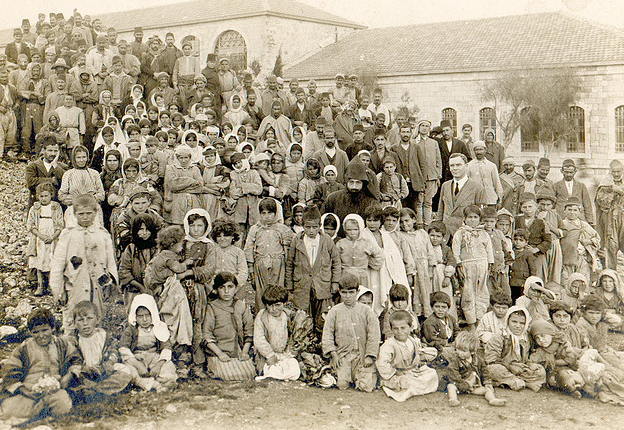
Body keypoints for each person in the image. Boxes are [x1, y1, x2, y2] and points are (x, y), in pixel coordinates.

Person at [50, 193, 117, 332]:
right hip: (75, 285)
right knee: (73, 319)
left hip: (97, 286)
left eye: (89, 213)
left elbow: (111, 261)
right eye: (81, 214)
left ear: (95, 212)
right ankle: (72, 349)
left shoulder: (102, 235)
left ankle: (95, 348)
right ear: (74, 214)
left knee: (96, 319)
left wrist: (111, 283)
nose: (85, 217)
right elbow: (58, 263)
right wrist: (57, 290)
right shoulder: (68, 234)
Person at [0, 308, 73, 422]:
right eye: (36, 332)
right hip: (30, 391)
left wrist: (69, 375)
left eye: (45, 330)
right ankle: (38, 411)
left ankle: (42, 411)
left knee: (63, 407)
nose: (41, 335)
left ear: (52, 328)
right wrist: (24, 390)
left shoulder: (61, 344)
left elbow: (75, 360)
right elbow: (11, 370)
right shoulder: (24, 348)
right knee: (9, 411)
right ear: (30, 332)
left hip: (55, 390)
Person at [286, 205, 341, 336]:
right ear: (302, 225)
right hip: (302, 285)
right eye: (308, 227)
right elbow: (290, 264)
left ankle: (320, 343)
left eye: (315, 227)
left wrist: (335, 282)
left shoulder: (326, 240)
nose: (311, 230)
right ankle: (305, 343)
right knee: (303, 317)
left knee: (322, 317)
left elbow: (336, 262)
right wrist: (289, 287)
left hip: (322, 285)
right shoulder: (297, 240)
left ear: (319, 225)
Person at [322, 273, 381, 392]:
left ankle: (361, 376)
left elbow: (374, 335)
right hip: (343, 355)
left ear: (357, 292)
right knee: (342, 384)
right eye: (344, 292)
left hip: (361, 355)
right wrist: (333, 354)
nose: (348, 296)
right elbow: (327, 334)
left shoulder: (367, 311)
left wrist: (370, 355)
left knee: (366, 386)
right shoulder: (335, 311)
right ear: (339, 292)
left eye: (351, 292)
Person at [64, 301, 133, 400]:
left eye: (89, 319)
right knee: (74, 375)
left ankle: (96, 390)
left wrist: (110, 361)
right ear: (74, 323)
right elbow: (73, 361)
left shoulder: (103, 335)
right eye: (80, 320)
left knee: (125, 370)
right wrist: (83, 370)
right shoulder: (74, 340)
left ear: (97, 319)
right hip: (85, 372)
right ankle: (98, 390)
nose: (85, 323)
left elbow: (113, 349)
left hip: (103, 370)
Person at [201, 272, 256, 381]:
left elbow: (249, 331)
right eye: (222, 287)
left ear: (236, 289)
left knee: (249, 374)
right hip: (218, 352)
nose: (226, 291)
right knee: (228, 375)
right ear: (216, 289)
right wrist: (220, 354)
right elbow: (206, 334)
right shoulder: (212, 307)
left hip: (238, 351)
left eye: (230, 287)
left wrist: (244, 352)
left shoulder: (241, 305)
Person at [119, 294, 178, 391]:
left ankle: (152, 382)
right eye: (141, 316)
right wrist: (138, 366)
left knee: (169, 372)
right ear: (135, 317)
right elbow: (123, 348)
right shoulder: (131, 330)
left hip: (154, 358)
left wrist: (158, 366)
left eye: (147, 315)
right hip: (137, 359)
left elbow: (166, 347)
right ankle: (151, 384)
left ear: (153, 314)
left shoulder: (159, 328)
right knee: (129, 372)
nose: (145, 319)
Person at [376, 310, 438, 402]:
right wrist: (394, 372)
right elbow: (381, 363)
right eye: (395, 329)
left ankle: (416, 387)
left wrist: (419, 359)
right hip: (397, 374)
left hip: (411, 370)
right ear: (391, 329)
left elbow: (416, 355)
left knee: (432, 373)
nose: (399, 331)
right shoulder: (389, 345)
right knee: (406, 382)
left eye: (403, 328)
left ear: (410, 327)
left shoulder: (412, 340)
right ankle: (410, 388)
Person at [245, 198, 293, 311]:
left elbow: (289, 247)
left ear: (275, 214)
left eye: (270, 213)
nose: (267, 216)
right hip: (260, 264)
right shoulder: (255, 229)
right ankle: (261, 315)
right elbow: (248, 248)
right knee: (261, 292)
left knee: (278, 291)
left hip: (278, 264)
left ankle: (278, 314)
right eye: (263, 213)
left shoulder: (282, 229)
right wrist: (251, 268)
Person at [484, 306, 546, 391]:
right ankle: (521, 382)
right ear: (507, 321)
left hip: (520, 368)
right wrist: (509, 366)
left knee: (540, 371)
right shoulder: (499, 337)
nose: (518, 326)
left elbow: (530, 355)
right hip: (504, 367)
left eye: (522, 323)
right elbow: (491, 359)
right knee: (492, 369)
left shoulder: (526, 338)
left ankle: (514, 382)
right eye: (514, 322)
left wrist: (531, 364)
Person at [452, 205, 494, 328]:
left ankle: (480, 320)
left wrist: (490, 263)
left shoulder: (483, 233)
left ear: (479, 219)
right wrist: (458, 264)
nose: (472, 220)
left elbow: (489, 249)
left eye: (475, 217)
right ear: (465, 219)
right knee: (468, 293)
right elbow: (456, 250)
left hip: (482, 265)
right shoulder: (460, 233)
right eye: (469, 217)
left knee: (482, 292)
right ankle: (471, 322)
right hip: (467, 265)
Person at [253, 285, 302, 381]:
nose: (273, 309)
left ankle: (281, 375)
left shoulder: (288, 316)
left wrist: (289, 352)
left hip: (284, 354)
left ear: (284, 303)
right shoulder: (262, 316)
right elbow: (259, 338)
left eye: (278, 305)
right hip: (267, 355)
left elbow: (293, 337)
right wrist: (269, 355)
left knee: (294, 368)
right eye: (270, 305)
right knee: (270, 369)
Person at [528, 319, 584, 399]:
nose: (541, 340)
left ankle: (586, 389)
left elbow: (570, 359)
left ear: (551, 334)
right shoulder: (540, 352)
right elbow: (531, 361)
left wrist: (554, 362)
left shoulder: (561, 344)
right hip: (554, 373)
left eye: (543, 336)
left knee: (571, 377)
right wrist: (533, 364)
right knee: (553, 381)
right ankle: (572, 391)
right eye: (537, 338)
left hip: (569, 368)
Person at [27, 183, 64, 296]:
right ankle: (40, 285)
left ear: (51, 195)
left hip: (52, 238)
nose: (43, 199)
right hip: (39, 239)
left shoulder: (56, 207)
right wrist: (41, 236)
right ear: (38, 196)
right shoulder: (35, 208)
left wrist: (53, 237)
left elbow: (60, 224)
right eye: (41, 196)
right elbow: (31, 225)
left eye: (46, 196)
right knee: (40, 261)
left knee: (51, 261)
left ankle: (52, 286)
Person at [438, 153, 485, 239]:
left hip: (466, 236)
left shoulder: (477, 188)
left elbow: (480, 217)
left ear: (466, 166)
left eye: (458, 165)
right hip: (446, 236)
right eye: (452, 165)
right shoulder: (445, 186)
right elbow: (440, 211)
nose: (455, 168)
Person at [118, 213, 160, 307]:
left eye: (147, 229)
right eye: (141, 229)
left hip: (154, 290)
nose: (144, 233)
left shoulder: (157, 248)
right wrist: (140, 287)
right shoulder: (131, 248)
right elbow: (124, 271)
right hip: (134, 290)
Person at [321, 158, 380, 222]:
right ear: (346, 182)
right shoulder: (333, 198)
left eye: (358, 182)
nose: (354, 186)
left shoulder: (371, 202)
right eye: (351, 182)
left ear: (363, 184)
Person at [594, 159, 624, 270]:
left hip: (623, 216)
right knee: (611, 243)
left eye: (619, 172)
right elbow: (600, 201)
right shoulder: (605, 183)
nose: (616, 174)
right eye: (614, 172)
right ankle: (611, 270)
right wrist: (613, 190)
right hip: (611, 218)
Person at [516, 192, 551, 283]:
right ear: (521, 208)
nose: (527, 210)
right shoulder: (517, 220)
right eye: (525, 207)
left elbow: (548, 241)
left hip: (536, 256)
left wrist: (536, 249)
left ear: (536, 207)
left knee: (536, 279)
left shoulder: (541, 222)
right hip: (520, 256)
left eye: (530, 207)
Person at [25, 137, 67, 206]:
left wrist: (55, 165)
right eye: (50, 150)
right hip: (37, 205)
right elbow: (30, 182)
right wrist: (51, 180)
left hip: (56, 205)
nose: (53, 154)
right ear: (43, 150)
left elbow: (66, 181)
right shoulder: (33, 166)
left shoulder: (62, 167)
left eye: (55, 151)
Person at [482, 206, 512, 299]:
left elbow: (505, 248)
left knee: (504, 290)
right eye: (486, 221)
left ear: (495, 222)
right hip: (488, 269)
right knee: (490, 291)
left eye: (491, 222)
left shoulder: (498, 233)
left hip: (500, 268)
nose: (488, 224)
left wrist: (506, 263)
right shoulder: (481, 233)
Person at [553, 159, 594, 224]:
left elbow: (587, 205)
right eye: (566, 172)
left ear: (575, 171)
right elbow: (552, 204)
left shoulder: (581, 186)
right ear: (562, 171)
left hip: (578, 219)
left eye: (571, 172)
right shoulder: (556, 186)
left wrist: (590, 220)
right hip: (561, 219)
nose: (569, 175)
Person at [466, 140, 502, 206]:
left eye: (481, 149)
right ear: (474, 151)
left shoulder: (492, 166)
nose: (479, 152)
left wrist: (499, 200)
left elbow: (497, 183)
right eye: (477, 150)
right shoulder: (469, 166)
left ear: (485, 150)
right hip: (475, 201)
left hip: (490, 200)